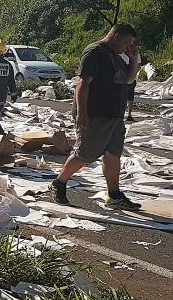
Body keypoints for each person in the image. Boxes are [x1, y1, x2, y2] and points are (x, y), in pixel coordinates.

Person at [49, 23, 142, 210]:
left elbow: (129, 79)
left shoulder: (117, 56)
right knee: (85, 154)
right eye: (126, 43)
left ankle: (114, 195)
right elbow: (82, 84)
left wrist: (133, 58)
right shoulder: (95, 53)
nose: (127, 47)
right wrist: (82, 113)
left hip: (114, 115)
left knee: (113, 154)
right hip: (95, 114)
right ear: (116, 37)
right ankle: (58, 183)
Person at [120, 52, 141, 122]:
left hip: (131, 78)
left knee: (130, 96)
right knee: (122, 96)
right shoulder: (119, 53)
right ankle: (122, 114)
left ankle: (129, 114)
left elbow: (138, 66)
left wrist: (133, 72)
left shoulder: (135, 54)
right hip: (121, 78)